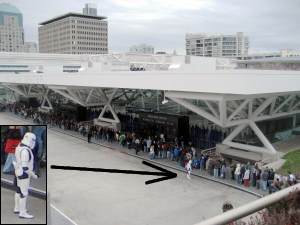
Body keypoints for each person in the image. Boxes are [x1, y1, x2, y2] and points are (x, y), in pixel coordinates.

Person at [13, 132, 38, 219]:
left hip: (18, 171)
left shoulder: (19, 146)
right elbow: (25, 168)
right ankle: (22, 212)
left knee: (18, 190)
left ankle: (17, 208)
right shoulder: (25, 151)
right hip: (24, 174)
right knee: (24, 193)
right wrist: (34, 175)